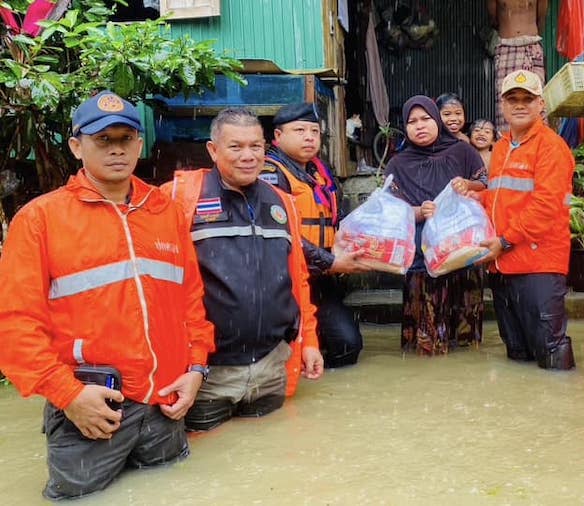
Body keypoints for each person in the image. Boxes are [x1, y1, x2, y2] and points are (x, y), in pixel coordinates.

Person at [0, 91, 214, 500]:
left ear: (139, 144)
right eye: (103, 140)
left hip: (167, 404)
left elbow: (190, 302)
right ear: (77, 146)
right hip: (93, 409)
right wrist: (69, 395)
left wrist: (196, 369)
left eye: (125, 139)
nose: (116, 150)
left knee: (173, 490)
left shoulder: (164, 211)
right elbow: (14, 326)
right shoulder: (39, 220)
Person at [162, 108, 324, 432]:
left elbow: (298, 279)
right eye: (236, 147)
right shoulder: (178, 198)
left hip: (271, 368)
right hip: (208, 374)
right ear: (213, 150)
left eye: (256, 147)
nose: (248, 156)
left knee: (271, 454)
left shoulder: (282, 202)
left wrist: (309, 341)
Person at [261, 102, 370, 369]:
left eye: (314, 131)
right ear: (277, 136)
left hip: (323, 277)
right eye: (300, 130)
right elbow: (281, 235)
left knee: (348, 347)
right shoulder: (270, 173)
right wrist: (331, 261)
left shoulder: (321, 171)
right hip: (286, 277)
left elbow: (338, 218)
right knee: (288, 351)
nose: (309, 137)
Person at [479, 70, 576, 370]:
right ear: (503, 105)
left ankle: (558, 411)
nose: (519, 105)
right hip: (503, 267)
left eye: (527, 99)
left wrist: (505, 241)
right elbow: (498, 198)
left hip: (539, 266)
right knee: (517, 355)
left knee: (551, 354)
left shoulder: (551, 147)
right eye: (513, 99)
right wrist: (471, 199)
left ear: (541, 105)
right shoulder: (502, 147)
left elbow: (546, 206)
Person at [385, 95, 487, 354]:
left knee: (466, 337)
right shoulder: (398, 163)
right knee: (426, 338)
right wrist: (418, 212)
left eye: (426, 119)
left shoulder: (462, 151)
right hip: (422, 258)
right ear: (405, 127)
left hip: (462, 252)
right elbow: (391, 211)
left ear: (437, 120)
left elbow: (484, 181)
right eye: (412, 121)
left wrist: (467, 185)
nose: (419, 126)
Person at [487, 0, 548, 132]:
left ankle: (537, 141)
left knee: (536, 94)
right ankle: (509, 143)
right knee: (505, 95)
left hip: (531, 45)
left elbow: (541, 18)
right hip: (506, 46)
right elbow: (494, 19)